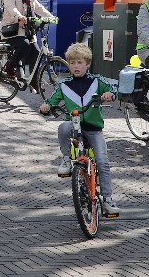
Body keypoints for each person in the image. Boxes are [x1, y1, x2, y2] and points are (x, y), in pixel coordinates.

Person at [38, 42, 119, 217]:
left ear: (87, 64)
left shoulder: (97, 81)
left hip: (93, 129)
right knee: (63, 127)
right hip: (74, 127)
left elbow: (114, 88)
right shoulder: (64, 84)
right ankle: (67, 159)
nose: (76, 66)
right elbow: (51, 101)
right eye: (72, 63)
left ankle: (108, 200)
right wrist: (45, 107)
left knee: (103, 162)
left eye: (80, 62)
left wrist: (110, 94)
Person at [1, 0, 52, 78]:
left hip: (28, 31)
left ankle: (34, 80)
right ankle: (10, 67)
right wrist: (19, 16)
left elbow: (39, 8)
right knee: (25, 45)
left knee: (36, 52)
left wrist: (51, 17)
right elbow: (11, 7)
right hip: (13, 30)